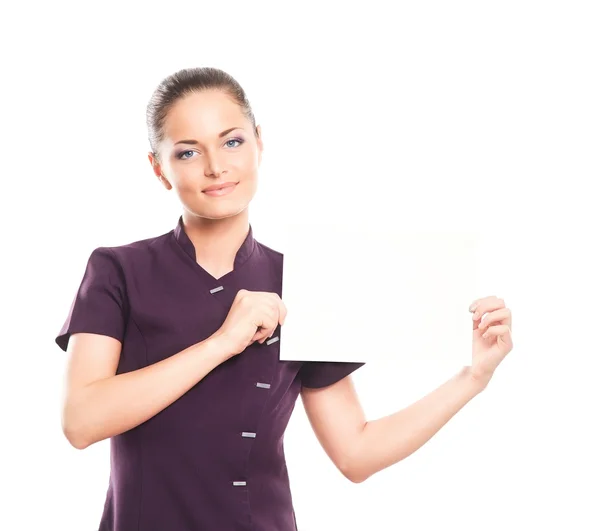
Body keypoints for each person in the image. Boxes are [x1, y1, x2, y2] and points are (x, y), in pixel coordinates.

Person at [55, 66, 514, 531]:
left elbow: (355, 453)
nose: (216, 166)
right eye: (189, 151)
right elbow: (81, 421)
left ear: (259, 142)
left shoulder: (303, 281)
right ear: (159, 169)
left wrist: (472, 376)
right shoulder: (117, 270)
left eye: (232, 141)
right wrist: (221, 343)